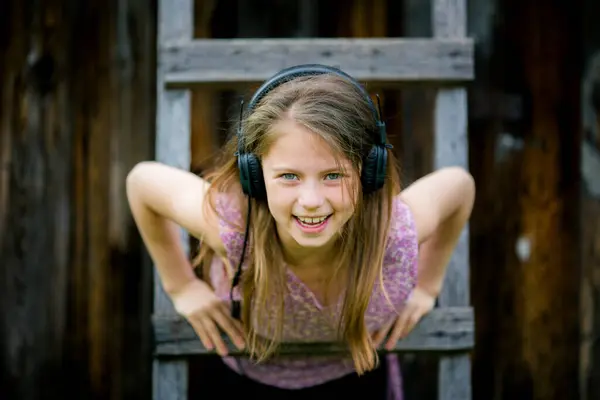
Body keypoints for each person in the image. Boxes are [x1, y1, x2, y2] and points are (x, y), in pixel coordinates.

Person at [126, 64, 475, 400]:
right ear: (254, 176)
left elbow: (459, 187)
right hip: (249, 374)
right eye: (289, 176)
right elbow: (142, 181)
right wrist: (182, 285)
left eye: (333, 175)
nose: (310, 201)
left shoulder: (392, 233)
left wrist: (427, 286)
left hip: (358, 371)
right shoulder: (235, 230)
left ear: (370, 172)